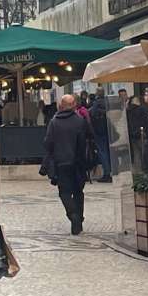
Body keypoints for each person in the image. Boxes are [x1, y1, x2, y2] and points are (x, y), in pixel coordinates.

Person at [43, 94, 93, 235]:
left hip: (61, 162)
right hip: (78, 163)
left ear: (61, 106)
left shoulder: (54, 122)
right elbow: (88, 137)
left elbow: (48, 143)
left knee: (64, 192)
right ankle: (79, 220)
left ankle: (73, 216)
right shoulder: (80, 121)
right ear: (74, 105)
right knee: (78, 192)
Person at [88, 93, 113, 182]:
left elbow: (91, 114)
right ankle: (112, 172)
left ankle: (106, 173)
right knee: (109, 152)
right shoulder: (108, 103)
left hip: (99, 132)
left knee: (102, 152)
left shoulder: (95, 105)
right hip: (109, 131)